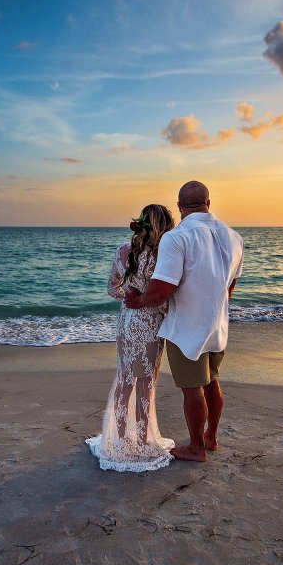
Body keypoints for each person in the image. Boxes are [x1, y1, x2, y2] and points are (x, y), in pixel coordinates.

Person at [125, 181, 243, 462]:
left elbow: (161, 289)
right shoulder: (234, 237)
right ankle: (211, 437)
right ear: (208, 203)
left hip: (187, 329)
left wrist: (138, 300)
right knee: (212, 381)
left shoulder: (177, 238)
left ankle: (196, 447)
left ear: (180, 207)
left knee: (192, 389)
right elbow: (229, 287)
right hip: (217, 326)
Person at [85, 204, 178, 472]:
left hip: (126, 321)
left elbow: (112, 288)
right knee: (146, 382)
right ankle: (140, 441)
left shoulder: (124, 250)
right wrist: (156, 307)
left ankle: (123, 440)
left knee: (125, 378)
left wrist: (129, 299)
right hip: (148, 322)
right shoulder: (164, 255)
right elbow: (163, 298)